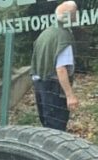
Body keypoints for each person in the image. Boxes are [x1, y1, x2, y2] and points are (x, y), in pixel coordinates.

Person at [31, 1, 79, 131]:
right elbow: (61, 69)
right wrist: (70, 95)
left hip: (40, 86)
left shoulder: (45, 33)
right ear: (69, 16)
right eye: (75, 13)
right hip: (54, 88)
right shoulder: (63, 36)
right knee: (57, 128)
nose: (77, 16)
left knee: (47, 126)